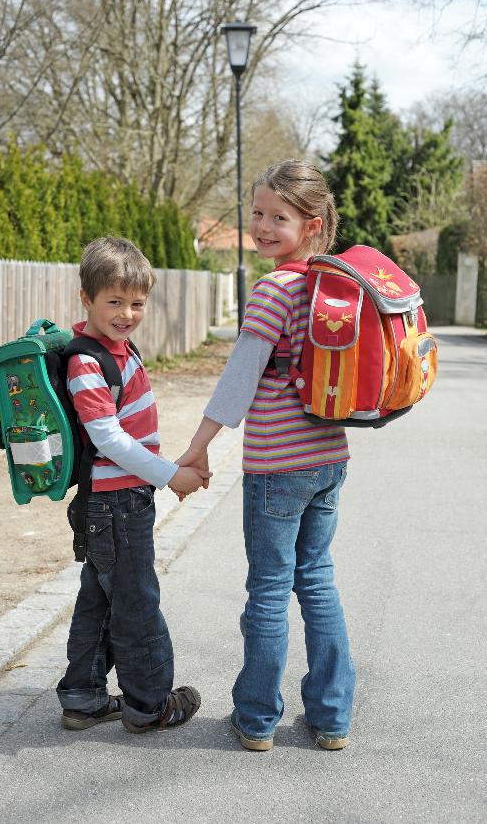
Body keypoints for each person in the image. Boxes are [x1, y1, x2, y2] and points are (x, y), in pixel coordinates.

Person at [178, 160, 355, 752]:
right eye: (256, 213)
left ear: (310, 225)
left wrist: (197, 449)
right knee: (320, 582)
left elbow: (239, 379)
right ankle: (331, 717)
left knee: (271, 591)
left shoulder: (275, 288)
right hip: (329, 457)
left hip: (278, 464)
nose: (262, 226)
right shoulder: (329, 286)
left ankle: (256, 719)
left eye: (278, 217)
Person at [57, 236, 209, 733]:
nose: (126, 314)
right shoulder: (88, 361)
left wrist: (168, 472)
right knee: (137, 603)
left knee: (100, 601)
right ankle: (149, 705)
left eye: (136, 303)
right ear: (87, 298)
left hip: (119, 500)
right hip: (116, 503)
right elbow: (109, 439)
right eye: (114, 302)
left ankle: (83, 697)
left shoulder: (118, 348)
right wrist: (171, 476)